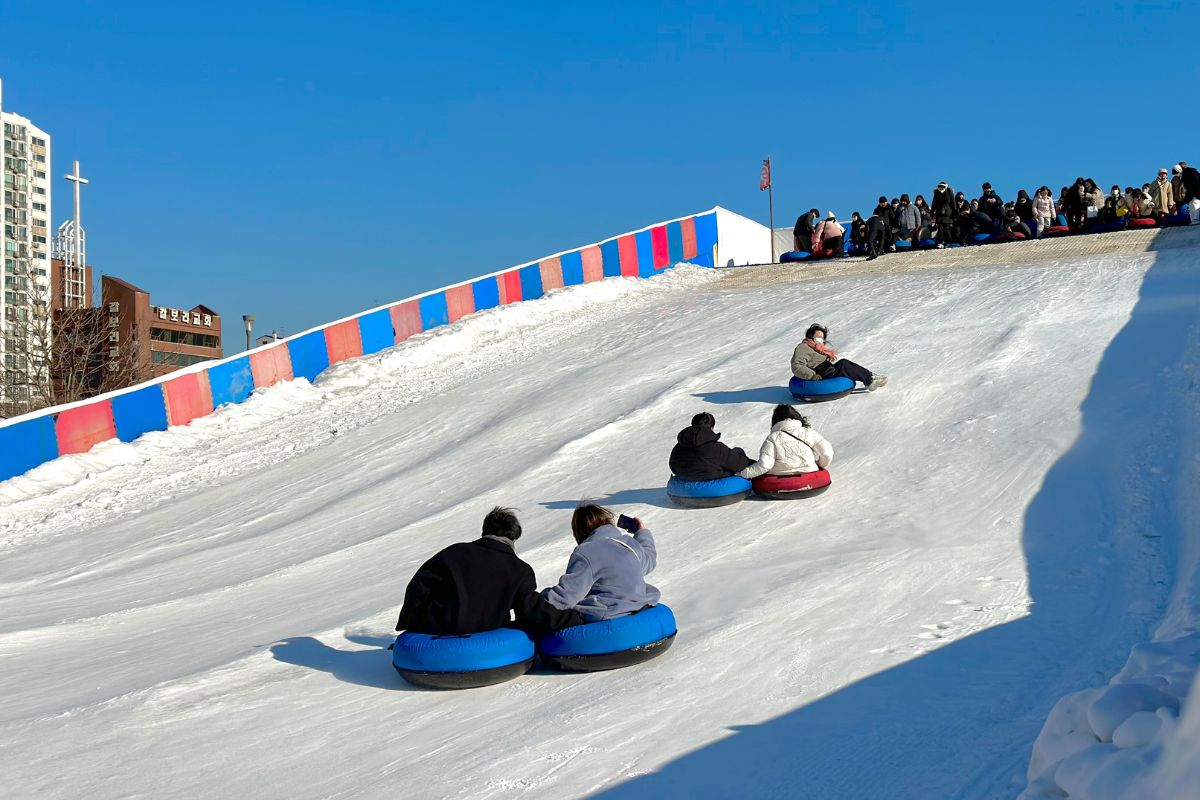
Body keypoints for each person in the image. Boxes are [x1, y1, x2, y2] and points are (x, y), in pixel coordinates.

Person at [396, 507, 585, 636]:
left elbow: (418, 588)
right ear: (514, 537)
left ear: (485, 531)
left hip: (436, 629)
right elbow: (532, 612)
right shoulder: (519, 570)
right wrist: (574, 618)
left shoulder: (452, 553)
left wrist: (411, 627)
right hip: (484, 634)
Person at [542, 504, 659, 623]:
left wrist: (538, 601)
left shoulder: (586, 552)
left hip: (610, 617)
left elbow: (566, 596)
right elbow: (649, 560)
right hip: (641, 609)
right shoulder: (629, 544)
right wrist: (641, 532)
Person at [738, 404, 833, 480]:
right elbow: (827, 453)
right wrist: (820, 466)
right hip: (809, 473)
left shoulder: (772, 438)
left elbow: (765, 465)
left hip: (780, 478)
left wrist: (743, 474)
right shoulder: (808, 433)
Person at [792, 323, 887, 391]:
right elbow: (797, 365)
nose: (820, 339)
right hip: (820, 375)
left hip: (828, 371)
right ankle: (870, 380)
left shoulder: (818, 348)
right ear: (811, 336)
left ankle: (871, 376)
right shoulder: (804, 347)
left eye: (822, 337)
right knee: (844, 364)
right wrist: (812, 375)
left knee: (844, 364)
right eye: (818, 336)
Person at [669, 412, 753, 482]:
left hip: (685, 484)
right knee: (738, 451)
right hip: (713, 485)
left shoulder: (679, 447)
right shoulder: (717, 448)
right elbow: (740, 465)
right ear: (711, 427)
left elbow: (673, 466)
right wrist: (759, 465)